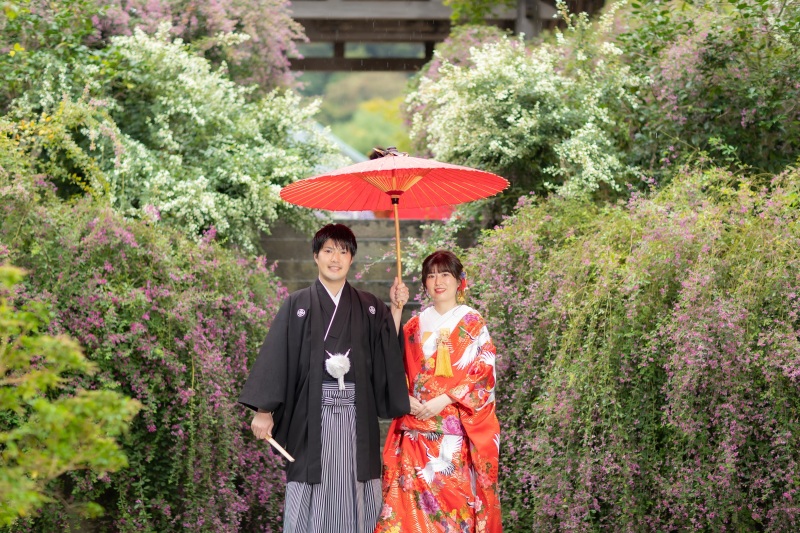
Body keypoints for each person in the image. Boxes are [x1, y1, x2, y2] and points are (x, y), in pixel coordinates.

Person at [239, 223, 410, 533]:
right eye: (329, 250)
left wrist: (396, 308)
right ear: (315, 256)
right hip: (310, 416)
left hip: (356, 415)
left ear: (351, 259)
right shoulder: (297, 304)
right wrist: (264, 410)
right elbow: (278, 355)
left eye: (343, 251)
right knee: (310, 480)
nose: (336, 258)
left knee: (356, 483)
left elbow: (386, 352)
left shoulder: (370, 306)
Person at [376, 250, 502, 533]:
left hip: (453, 434)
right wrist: (405, 397)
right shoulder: (415, 324)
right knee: (408, 513)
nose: (438, 281)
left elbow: (483, 373)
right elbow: (391, 362)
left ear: (460, 281)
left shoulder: (472, 322)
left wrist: (443, 400)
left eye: (445, 274)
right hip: (415, 433)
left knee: (454, 510)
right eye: (430, 275)